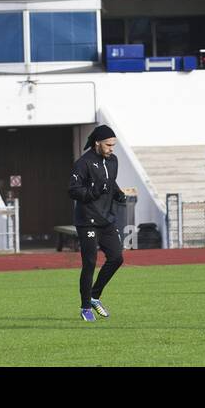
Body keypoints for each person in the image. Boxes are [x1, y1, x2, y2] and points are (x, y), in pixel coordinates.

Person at [67, 124, 128, 322]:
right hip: (87, 221)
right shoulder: (83, 163)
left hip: (106, 219)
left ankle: (94, 296)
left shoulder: (113, 161)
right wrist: (92, 193)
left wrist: (118, 193)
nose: (112, 148)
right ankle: (85, 307)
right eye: (109, 145)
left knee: (117, 258)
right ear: (97, 143)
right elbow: (73, 190)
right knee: (90, 263)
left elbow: (109, 182)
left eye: (113, 145)